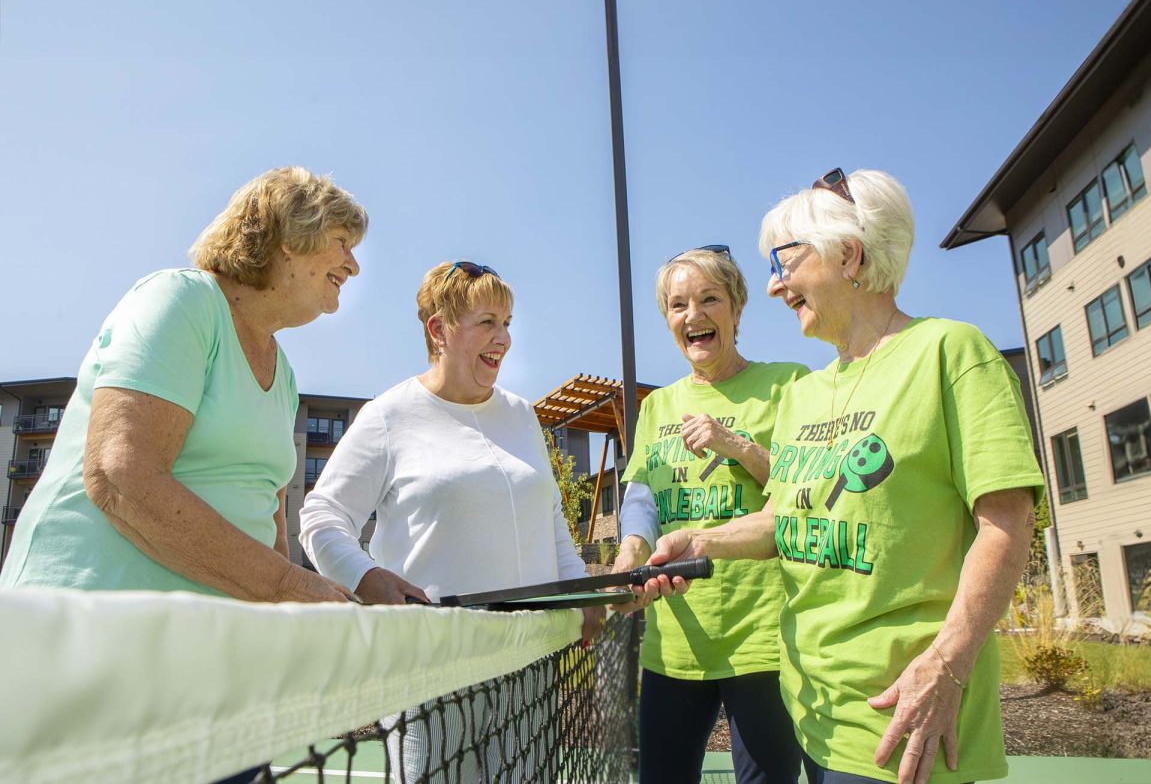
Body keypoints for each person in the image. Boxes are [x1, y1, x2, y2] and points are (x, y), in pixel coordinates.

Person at [648, 169, 1044, 784]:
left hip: (902, 721)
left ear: (849, 254)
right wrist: (699, 543)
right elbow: (786, 518)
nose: (777, 286)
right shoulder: (808, 393)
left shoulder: (950, 353)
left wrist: (947, 664)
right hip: (812, 712)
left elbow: (1007, 524)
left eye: (786, 261)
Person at [0, 166, 366, 606]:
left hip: (199, 637)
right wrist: (286, 586)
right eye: (342, 243)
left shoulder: (283, 373)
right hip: (85, 620)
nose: (354, 265)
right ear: (290, 236)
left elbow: (263, 517)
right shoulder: (182, 299)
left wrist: (281, 610)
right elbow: (121, 477)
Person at [298, 261, 602, 782]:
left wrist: (580, 593)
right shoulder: (388, 415)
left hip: (528, 666)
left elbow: (550, 519)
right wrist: (367, 578)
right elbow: (322, 516)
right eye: (487, 322)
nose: (503, 339)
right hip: (430, 670)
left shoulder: (522, 415)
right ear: (438, 330)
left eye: (507, 322)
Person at [610, 246, 807, 784]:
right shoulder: (657, 406)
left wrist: (738, 446)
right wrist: (630, 553)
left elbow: (803, 493)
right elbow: (642, 500)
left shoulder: (790, 384)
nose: (692, 315)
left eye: (708, 299)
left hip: (762, 639)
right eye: (677, 305)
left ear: (737, 309)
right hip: (673, 644)